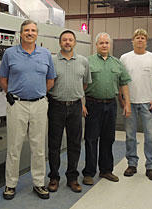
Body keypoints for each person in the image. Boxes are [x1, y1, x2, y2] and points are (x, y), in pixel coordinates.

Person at [0, 20, 56, 200]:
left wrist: (37, 94)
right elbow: (3, 77)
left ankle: (38, 183)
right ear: (21, 33)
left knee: (38, 147)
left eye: (33, 30)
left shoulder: (45, 54)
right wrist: (13, 94)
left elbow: (50, 80)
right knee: (14, 147)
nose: (30, 33)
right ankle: (10, 184)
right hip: (17, 105)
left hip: (39, 104)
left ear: (37, 34)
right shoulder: (10, 53)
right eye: (26, 30)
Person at [82, 32, 132, 185]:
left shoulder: (117, 63)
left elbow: (124, 83)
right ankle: (89, 173)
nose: (104, 45)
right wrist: (81, 104)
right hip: (92, 104)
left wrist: (127, 103)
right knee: (91, 139)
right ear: (96, 45)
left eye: (106, 43)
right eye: (101, 43)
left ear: (110, 45)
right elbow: (80, 85)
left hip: (111, 105)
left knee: (108, 139)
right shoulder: (87, 62)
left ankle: (106, 170)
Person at [47, 30, 91, 193]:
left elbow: (85, 84)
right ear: (60, 43)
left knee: (74, 143)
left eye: (70, 40)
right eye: (64, 40)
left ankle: (72, 178)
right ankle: (54, 177)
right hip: (56, 106)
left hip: (75, 107)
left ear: (75, 43)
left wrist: (77, 97)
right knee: (54, 144)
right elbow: (48, 82)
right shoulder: (51, 61)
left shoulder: (83, 61)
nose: (67, 42)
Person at [119, 28, 152, 181]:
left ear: (146, 41)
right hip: (130, 103)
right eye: (137, 37)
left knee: (150, 137)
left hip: (148, 104)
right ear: (132, 41)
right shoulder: (124, 58)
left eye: (142, 38)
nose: (139, 40)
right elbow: (120, 80)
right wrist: (123, 100)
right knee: (130, 135)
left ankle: (151, 167)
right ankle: (132, 164)